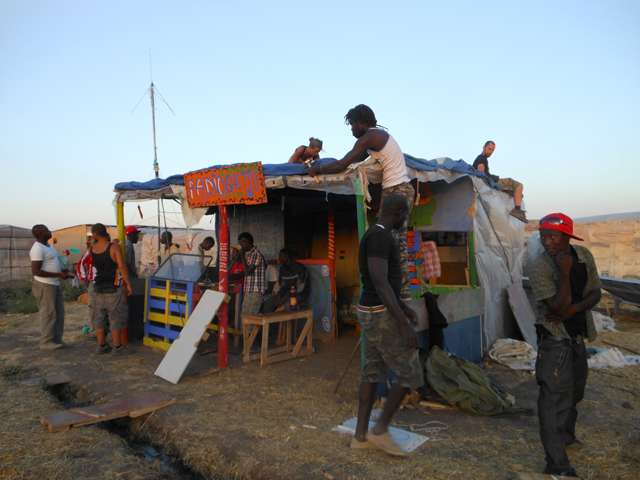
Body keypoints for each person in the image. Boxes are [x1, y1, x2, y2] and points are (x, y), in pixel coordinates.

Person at [308, 105, 414, 299]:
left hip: (396, 190)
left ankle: (400, 297)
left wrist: (318, 169)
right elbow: (353, 161)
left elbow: (341, 164)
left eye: (353, 124)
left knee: (392, 245)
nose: (351, 129)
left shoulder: (370, 137)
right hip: (400, 191)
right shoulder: (376, 139)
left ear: (363, 123)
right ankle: (401, 295)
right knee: (395, 245)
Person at [529, 213, 602, 478]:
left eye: (552, 237)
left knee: (575, 393)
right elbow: (557, 307)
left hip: (576, 337)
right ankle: (557, 465)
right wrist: (564, 272)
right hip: (554, 341)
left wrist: (574, 310)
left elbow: (596, 292)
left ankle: (567, 438)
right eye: (543, 237)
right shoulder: (540, 267)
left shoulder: (582, 256)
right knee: (553, 400)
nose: (547, 242)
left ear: (568, 237)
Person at [352, 194, 423, 456]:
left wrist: (403, 307)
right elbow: (380, 283)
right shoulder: (381, 237)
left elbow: (380, 284)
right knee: (410, 371)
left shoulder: (377, 234)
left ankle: (360, 436)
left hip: (371, 311)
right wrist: (403, 324)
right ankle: (380, 430)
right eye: (406, 214)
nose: (406, 219)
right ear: (400, 213)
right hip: (380, 314)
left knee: (371, 373)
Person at [90, 223, 133, 356]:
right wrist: (128, 284)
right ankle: (117, 347)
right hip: (113, 288)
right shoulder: (114, 247)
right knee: (115, 317)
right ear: (105, 232)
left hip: (97, 288)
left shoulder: (92, 249)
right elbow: (122, 266)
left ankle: (101, 346)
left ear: (95, 235)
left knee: (100, 318)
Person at [30, 224, 75, 349]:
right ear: (39, 234)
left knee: (59, 312)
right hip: (45, 285)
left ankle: (57, 339)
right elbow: (36, 271)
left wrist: (64, 272)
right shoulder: (38, 248)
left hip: (54, 283)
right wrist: (59, 274)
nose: (49, 232)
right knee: (48, 313)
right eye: (46, 231)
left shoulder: (49, 246)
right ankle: (46, 341)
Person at [472, 141, 528, 223]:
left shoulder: (481, 158)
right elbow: (481, 174)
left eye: (492, 150)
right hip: (495, 181)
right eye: (489, 149)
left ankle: (512, 195)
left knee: (516, 193)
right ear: (484, 147)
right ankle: (517, 210)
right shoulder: (481, 158)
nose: (490, 152)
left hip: (494, 181)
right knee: (519, 185)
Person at [235, 232, 266, 316]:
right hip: (249, 291)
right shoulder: (250, 255)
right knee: (244, 317)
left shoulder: (255, 254)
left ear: (246, 242)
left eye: (241, 244)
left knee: (250, 318)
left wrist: (242, 256)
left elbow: (248, 271)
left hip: (255, 291)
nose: (241, 247)